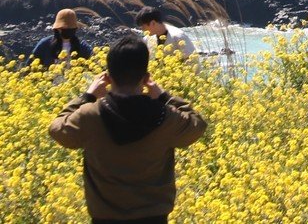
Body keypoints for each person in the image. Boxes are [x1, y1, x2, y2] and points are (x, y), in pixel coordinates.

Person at [49, 35, 207, 224]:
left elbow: (57, 129)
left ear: (107, 77)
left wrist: (87, 96)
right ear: (146, 77)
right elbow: (197, 125)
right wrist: (164, 96)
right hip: (154, 219)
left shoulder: (90, 115)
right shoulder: (166, 116)